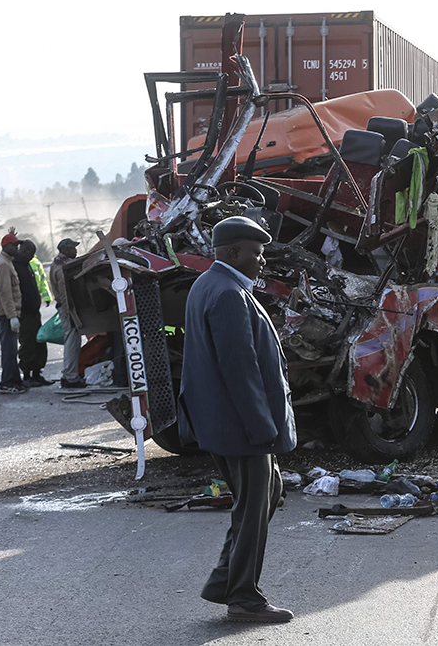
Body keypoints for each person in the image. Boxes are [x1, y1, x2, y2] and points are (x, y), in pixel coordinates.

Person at [178, 216, 296, 623]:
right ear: (232, 253)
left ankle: (225, 580)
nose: (262, 261)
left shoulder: (209, 285)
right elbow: (239, 370)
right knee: (253, 505)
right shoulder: (228, 293)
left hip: (224, 423)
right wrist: (263, 429)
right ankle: (243, 596)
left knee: (268, 492)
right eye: (256, 253)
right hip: (240, 426)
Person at [13, 240, 51, 387]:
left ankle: (37, 373)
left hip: (34, 311)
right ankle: (28, 376)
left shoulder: (28, 264)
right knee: (28, 343)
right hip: (25, 312)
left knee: (39, 342)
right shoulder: (16, 265)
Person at [0, 233, 26, 394]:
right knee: (9, 350)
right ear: (5, 246)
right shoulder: (3, 264)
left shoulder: (6, 261)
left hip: (6, 314)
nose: (17, 248)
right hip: (6, 315)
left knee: (11, 350)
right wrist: (12, 316)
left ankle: (14, 381)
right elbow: (5, 293)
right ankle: (7, 383)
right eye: (14, 245)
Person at [50, 238, 86, 389]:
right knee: (72, 343)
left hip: (66, 309)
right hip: (67, 310)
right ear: (65, 249)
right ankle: (70, 377)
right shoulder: (62, 267)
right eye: (73, 248)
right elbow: (64, 293)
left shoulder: (58, 263)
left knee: (72, 341)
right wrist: (70, 313)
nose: (76, 250)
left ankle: (69, 375)